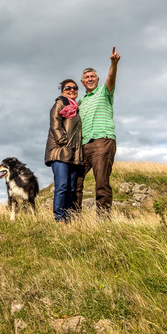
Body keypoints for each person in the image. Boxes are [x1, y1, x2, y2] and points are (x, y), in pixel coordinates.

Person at [75, 46, 121, 216]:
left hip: (103, 141)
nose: (90, 79)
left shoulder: (104, 92)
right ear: (82, 82)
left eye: (93, 76)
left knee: (101, 182)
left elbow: (111, 78)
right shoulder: (80, 101)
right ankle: (74, 217)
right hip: (84, 146)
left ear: (97, 79)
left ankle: (103, 219)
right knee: (75, 182)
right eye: (87, 77)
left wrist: (113, 64)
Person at [44, 79, 83, 222]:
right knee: (62, 186)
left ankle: (67, 218)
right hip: (59, 152)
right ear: (62, 91)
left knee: (71, 188)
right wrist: (63, 141)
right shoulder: (60, 102)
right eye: (68, 88)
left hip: (72, 154)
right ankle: (59, 218)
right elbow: (55, 121)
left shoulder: (76, 108)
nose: (72, 90)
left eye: (75, 88)